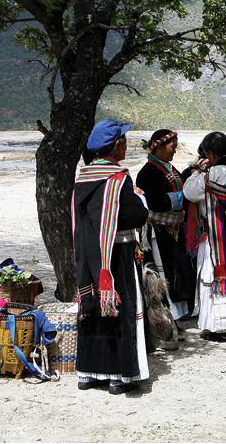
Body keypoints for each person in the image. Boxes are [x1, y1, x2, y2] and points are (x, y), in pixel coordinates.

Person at [73, 119, 150, 395]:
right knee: (121, 309)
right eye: (124, 141)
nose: (126, 145)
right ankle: (119, 375)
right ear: (117, 146)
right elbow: (135, 216)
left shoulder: (83, 178)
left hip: (91, 256)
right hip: (115, 255)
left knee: (92, 310)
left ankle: (88, 373)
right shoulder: (118, 179)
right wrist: (140, 199)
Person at [183, 132, 226, 340]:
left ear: (211, 154)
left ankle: (220, 326)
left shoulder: (210, 175)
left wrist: (197, 171)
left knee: (212, 275)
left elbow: (189, 192)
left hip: (216, 235)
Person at [136, 129, 195, 321]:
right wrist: (181, 197)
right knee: (166, 269)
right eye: (172, 147)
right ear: (159, 147)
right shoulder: (148, 173)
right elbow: (155, 203)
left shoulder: (168, 168)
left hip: (173, 229)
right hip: (160, 230)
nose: (174, 151)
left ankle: (182, 308)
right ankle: (170, 312)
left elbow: (181, 183)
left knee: (178, 267)